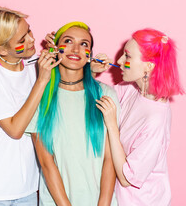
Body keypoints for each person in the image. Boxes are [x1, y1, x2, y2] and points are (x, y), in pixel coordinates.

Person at [0, 7, 61, 205]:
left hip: (28, 190)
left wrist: (58, 49)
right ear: (1, 49)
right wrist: (41, 80)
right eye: (21, 40)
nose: (31, 40)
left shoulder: (34, 65)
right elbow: (15, 129)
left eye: (29, 31)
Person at [26, 22, 119, 206]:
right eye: (68, 41)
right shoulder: (39, 97)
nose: (76, 49)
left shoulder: (106, 94)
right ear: (55, 49)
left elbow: (110, 159)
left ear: (89, 56)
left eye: (84, 44)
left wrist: (104, 204)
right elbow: (46, 162)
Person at [95, 28, 184, 206]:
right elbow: (100, 98)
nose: (119, 61)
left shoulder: (156, 119)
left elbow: (128, 178)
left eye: (127, 56)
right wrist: (92, 71)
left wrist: (112, 126)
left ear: (148, 66)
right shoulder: (131, 89)